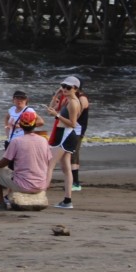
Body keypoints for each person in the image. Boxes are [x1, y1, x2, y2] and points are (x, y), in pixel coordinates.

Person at [0, 108, 52, 210]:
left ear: (20, 125)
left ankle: (0, 202)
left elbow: (4, 162)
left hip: (23, 185)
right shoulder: (43, 141)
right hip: (41, 184)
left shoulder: (16, 141)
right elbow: (48, 161)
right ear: (35, 125)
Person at [46, 76, 83, 209]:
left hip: (66, 134)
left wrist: (57, 116)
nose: (64, 89)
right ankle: (67, 200)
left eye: (68, 87)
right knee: (66, 168)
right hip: (63, 134)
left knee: (49, 164)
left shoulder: (73, 103)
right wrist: (56, 94)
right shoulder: (66, 99)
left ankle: (39, 194)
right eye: (63, 86)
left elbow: (72, 124)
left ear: (75, 89)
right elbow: (51, 110)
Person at [71, 82, 90, 191]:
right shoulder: (73, 97)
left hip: (77, 130)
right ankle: (73, 181)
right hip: (70, 129)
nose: (65, 88)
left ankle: (76, 183)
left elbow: (76, 114)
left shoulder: (82, 98)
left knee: (73, 155)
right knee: (69, 156)